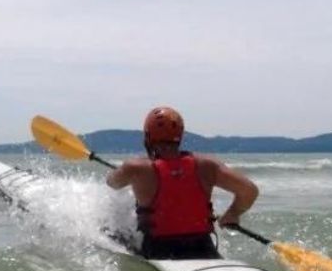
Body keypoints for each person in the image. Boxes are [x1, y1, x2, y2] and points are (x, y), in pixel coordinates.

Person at [106, 106, 259, 259]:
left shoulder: (136, 167)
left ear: (148, 135)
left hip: (157, 250)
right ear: (180, 134)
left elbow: (112, 183)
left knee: (110, 232)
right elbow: (249, 190)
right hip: (203, 248)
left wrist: (124, 172)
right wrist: (233, 214)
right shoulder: (207, 165)